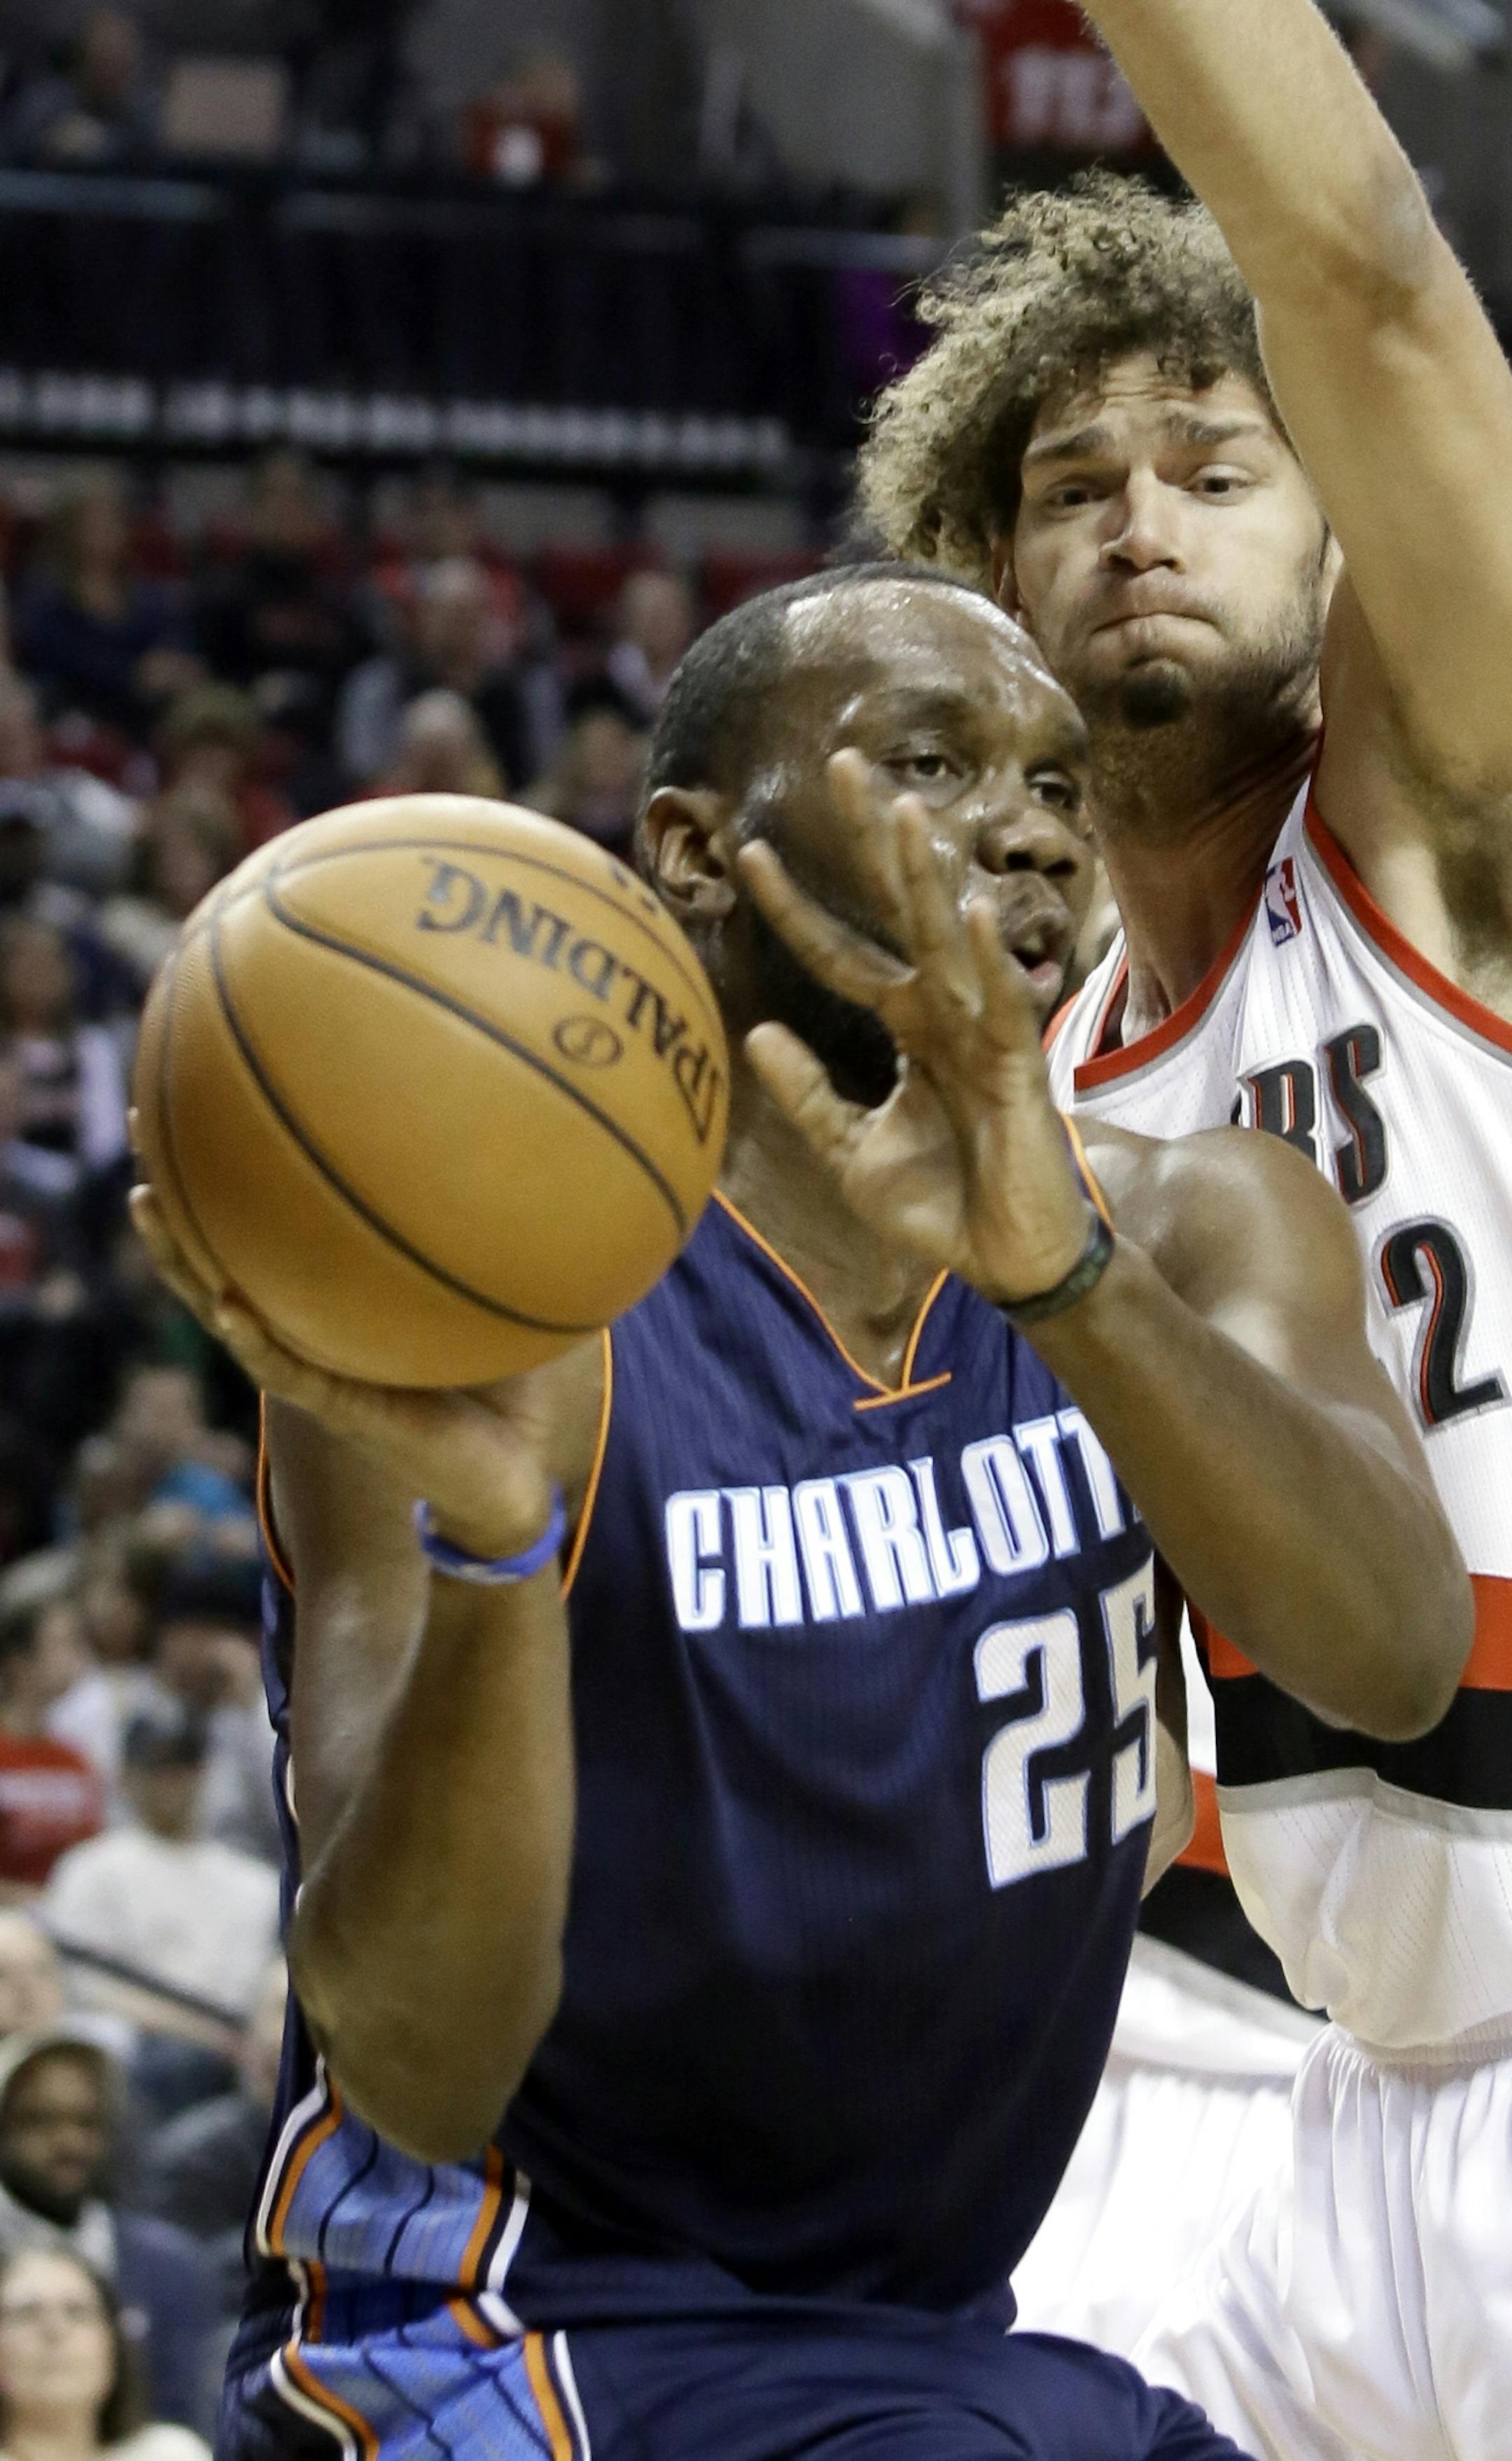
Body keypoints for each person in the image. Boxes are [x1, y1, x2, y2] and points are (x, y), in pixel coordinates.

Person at [133, 566, 1468, 2460]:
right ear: (688, 847)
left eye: (1059, 784)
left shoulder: (1186, 1223)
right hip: (502, 2329)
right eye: (933, 758)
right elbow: (419, 2069)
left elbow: (1395, 1664)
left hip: (918, 2339)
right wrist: (506, 1550)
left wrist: (1067, 1281)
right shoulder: (501, 1294)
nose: (1025, 824)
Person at [860, 4, 1512, 2453]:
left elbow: (1364, 270)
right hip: (1328, 2076)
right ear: (990, 590)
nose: (1143, 514)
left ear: (1345, 524)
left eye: (1220, 468)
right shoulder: (1050, 1100)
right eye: (1075, 480)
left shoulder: (1452, 821)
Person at [0, 2035, 215, 2434]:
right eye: (40, 2120)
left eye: (87, 2121)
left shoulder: (170, 2267)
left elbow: (184, 2420)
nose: (69, 2142)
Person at [43, 1708, 279, 2023]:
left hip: (236, 2045)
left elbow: (255, 1988)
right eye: (160, 1765)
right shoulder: (89, 1869)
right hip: (133, 2044)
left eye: (186, 1764)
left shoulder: (256, 1883)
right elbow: (83, 1986)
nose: (175, 1779)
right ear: (127, 1776)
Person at [141, 1958, 285, 2312]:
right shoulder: (193, 2157)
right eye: (286, 2010)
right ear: (245, 2041)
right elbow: (185, 2281)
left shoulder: (379, 2150)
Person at [10, 474, 197, 744]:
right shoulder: (44, 600)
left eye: (114, 516)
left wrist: (171, 667)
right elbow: (61, 660)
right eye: (94, 518)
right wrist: (133, 674)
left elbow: (176, 642)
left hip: (150, 717)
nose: (107, 527)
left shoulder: (151, 596)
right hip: (74, 720)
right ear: (69, 526)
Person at [0, 2243, 209, 2459]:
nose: (55, 2330)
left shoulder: (172, 2454)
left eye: (77, 2312)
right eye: (26, 2314)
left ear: (114, 2343)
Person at [0, 1598, 104, 1895]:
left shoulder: (75, 1761)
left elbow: (93, 1861)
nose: (77, 1657)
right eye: (64, 1643)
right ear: (19, 1662)